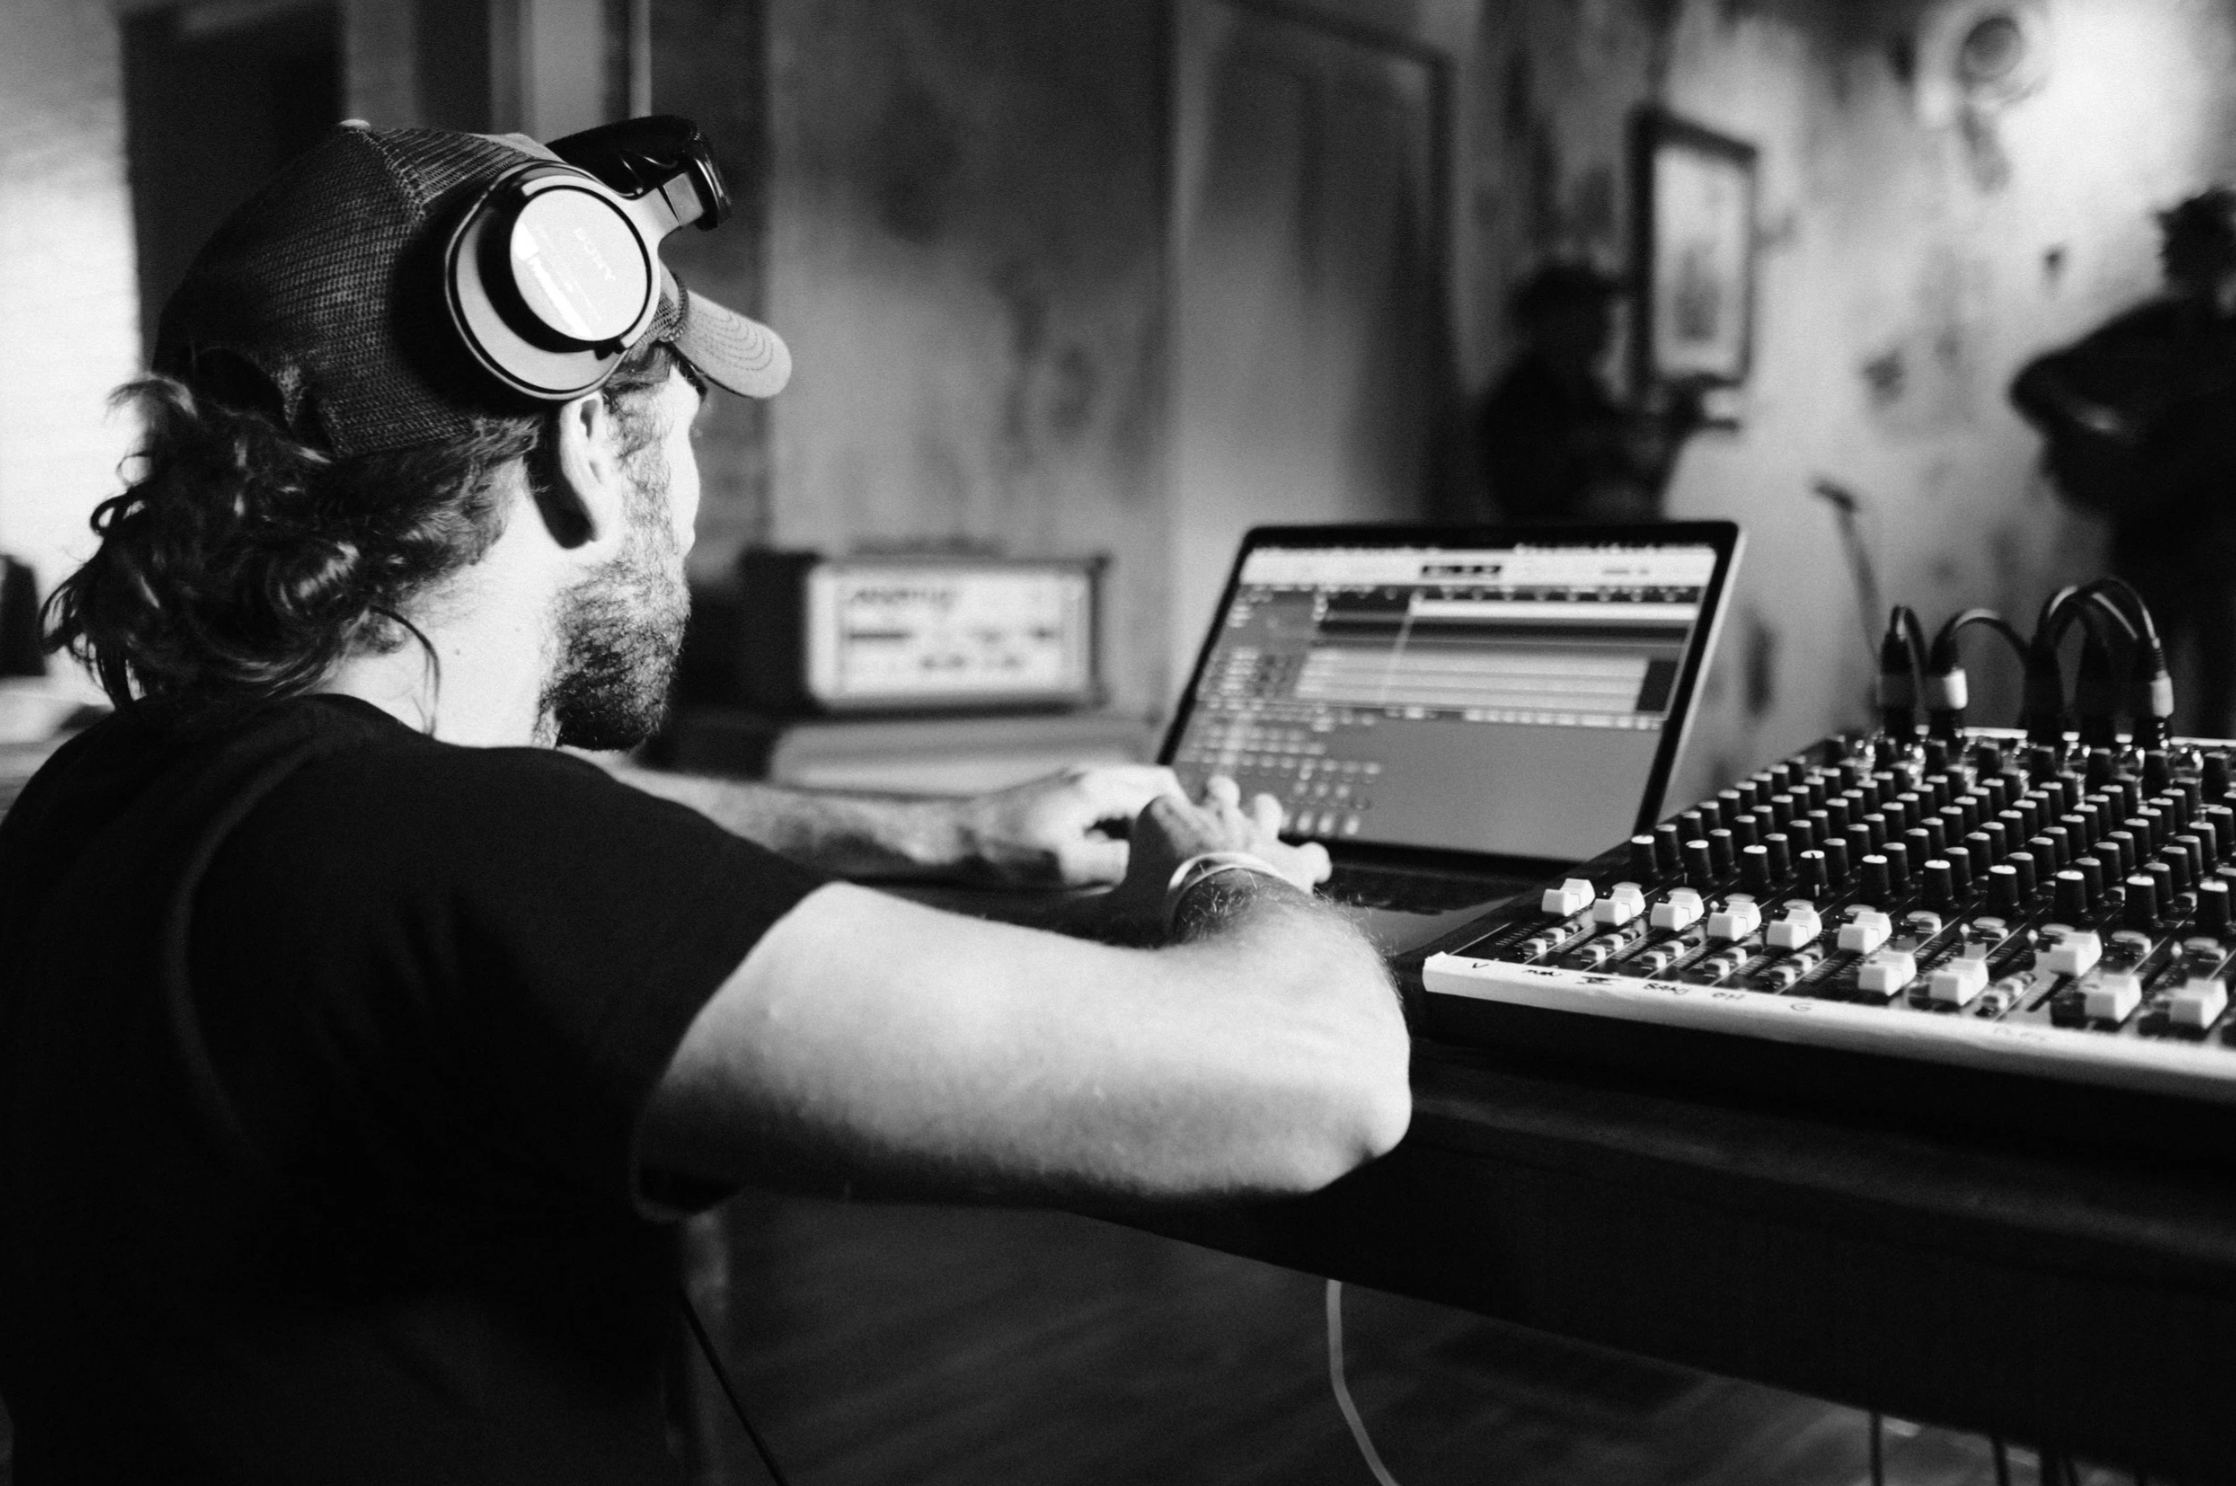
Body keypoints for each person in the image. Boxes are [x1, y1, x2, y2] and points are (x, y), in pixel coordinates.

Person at [0, 120, 1409, 1482]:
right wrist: (1237, 874)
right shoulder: (466, 859)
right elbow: (1315, 1081)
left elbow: (520, 843)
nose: (687, 511)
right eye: (685, 434)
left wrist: (937, 833)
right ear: (579, 451)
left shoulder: (107, 790)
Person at [2010, 187, 2236, 737]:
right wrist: (2089, 425)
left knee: (2221, 705)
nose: (2172, 256)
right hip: (2148, 543)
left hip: (2223, 550)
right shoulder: (2152, 328)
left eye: (2187, 244)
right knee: (2123, 698)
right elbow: (2036, 380)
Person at [1474, 261, 1699, 525]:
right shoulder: (1517, 404)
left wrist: (1674, 432)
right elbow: (1548, 503)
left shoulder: (1589, 394)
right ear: (1551, 321)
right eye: (1590, 312)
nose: (1607, 326)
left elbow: (1637, 484)